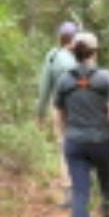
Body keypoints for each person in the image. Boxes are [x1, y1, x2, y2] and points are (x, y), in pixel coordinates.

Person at [53, 31, 109, 217]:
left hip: (75, 142)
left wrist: (63, 135)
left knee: (80, 191)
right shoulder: (106, 78)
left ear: (74, 52)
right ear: (95, 51)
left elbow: (58, 111)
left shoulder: (65, 80)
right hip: (102, 141)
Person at [35, 20, 80, 204]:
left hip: (60, 108)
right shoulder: (82, 56)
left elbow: (45, 87)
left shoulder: (53, 57)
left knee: (64, 147)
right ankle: (83, 185)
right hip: (82, 107)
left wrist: (40, 112)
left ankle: (70, 190)